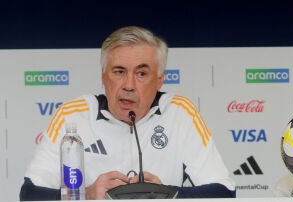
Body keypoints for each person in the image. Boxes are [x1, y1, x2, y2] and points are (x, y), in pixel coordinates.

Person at [19, 26, 235, 200]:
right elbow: (30, 194)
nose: (129, 85)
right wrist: (86, 196)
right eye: (119, 72)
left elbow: (224, 191)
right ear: (104, 76)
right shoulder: (72, 115)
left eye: (141, 73)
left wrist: (168, 195)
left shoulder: (180, 112)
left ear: (160, 79)